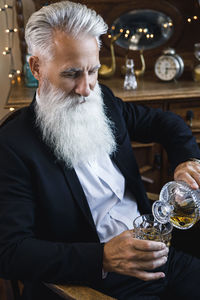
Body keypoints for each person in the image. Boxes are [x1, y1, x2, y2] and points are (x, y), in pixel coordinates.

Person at [0, 1, 200, 299]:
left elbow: (166, 123)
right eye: (71, 74)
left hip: (161, 252)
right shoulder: (12, 145)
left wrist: (186, 161)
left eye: (92, 71)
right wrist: (103, 257)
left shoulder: (102, 98)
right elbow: (10, 252)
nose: (86, 89)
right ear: (37, 67)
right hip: (96, 281)